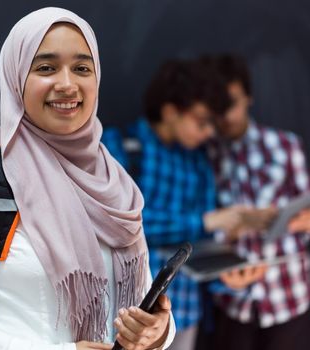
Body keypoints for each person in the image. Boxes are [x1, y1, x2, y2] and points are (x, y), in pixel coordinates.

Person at [0, 8, 176, 350]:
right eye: (46, 68)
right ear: (16, 78)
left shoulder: (114, 184)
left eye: (81, 68)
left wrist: (158, 332)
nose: (66, 84)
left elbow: (136, 303)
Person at [102, 60, 266, 350]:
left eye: (213, 125)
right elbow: (117, 224)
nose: (208, 133)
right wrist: (205, 221)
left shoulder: (199, 162)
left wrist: (226, 275)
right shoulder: (120, 147)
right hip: (124, 315)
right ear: (170, 111)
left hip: (185, 313)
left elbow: (202, 245)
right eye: (202, 122)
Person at [202, 53, 310, 350]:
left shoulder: (285, 146)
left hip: (287, 293)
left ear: (248, 97)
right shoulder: (205, 153)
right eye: (217, 107)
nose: (225, 116)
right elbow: (201, 224)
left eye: (231, 103)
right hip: (233, 300)